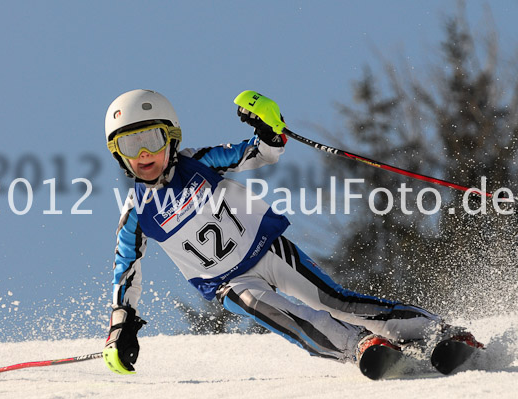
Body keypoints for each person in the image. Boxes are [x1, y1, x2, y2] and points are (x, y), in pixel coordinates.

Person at [101, 89, 482, 375]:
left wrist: (270, 129)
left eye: (150, 140)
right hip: (228, 283)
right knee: (293, 318)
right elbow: (126, 268)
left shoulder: (198, 163)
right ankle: (360, 346)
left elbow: (262, 152)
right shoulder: (136, 213)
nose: (143, 155)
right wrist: (122, 326)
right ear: (118, 155)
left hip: (265, 248)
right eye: (129, 145)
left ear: (171, 138)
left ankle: (437, 332)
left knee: (334, 300)